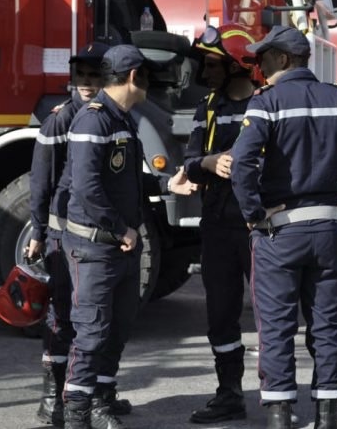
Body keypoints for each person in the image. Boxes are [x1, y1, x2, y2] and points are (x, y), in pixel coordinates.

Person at [230, 26, 337, 429]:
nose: (258, 67)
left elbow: (241, 163)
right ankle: (327, 416)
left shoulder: (266, 103)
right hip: (326, 231)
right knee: (326, 324)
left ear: (284, 59)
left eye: (263, 59)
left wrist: (253, 212)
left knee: (276, 327)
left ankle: (279, 417)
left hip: (279, 232)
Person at [60, 44, 195, 429]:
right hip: (95, 247)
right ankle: (77, 413)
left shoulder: (122, 118)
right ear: (134, 76)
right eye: (148, 75)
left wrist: (167, 184)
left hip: (119, 248)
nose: (150, 83)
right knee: (92, 331)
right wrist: (121, 229)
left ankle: (102, 398)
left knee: (117, 327)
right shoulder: (94, 121)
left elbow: (127, 180)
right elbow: (86, 188)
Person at [27, 41, 129, 427]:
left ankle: (100, 396)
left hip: (90, 233)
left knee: (100, 320)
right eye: (80, 75)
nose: (86, 83)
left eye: (94, 75)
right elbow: (41, 181)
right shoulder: (61, 120)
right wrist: (38, 230)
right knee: (63, 316)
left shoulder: (109, 117)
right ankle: (52, 398)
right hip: (62, 232)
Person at [181, 25, 259, 424]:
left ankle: (278, 399)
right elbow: (190, 163)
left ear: (236, 66)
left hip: (257, 228)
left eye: (213, 65)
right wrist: (208, 163)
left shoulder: (265, 106)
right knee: (221, 313)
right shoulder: (207, 108)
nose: (205, 73)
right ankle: (229, 394)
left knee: (272, 316)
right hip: (216, 226)